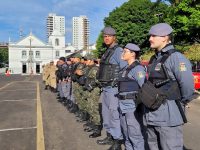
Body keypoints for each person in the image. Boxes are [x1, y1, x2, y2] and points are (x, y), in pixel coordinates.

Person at [143, 23, 194, 150]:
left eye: (154, 36)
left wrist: (180, 102)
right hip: (150, 114)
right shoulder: (154, 58)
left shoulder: (176, 57)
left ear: (165, 37)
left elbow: (187, 86)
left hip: (168, 116)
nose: (150, 39)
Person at [96, 27, 127, 150]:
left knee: (114, 115)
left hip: (114, 88)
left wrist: (119, 85)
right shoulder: (107, 51)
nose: (106, 38)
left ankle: (117, 140)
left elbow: (124, 69)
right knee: (106, 114)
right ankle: (110, 136)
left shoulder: (118, 50)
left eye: (109, 36)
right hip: (106, 88)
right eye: (105, 36)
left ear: (114, 37)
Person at [117, 43, 146, 150]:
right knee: (127, 136)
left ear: (133, 54)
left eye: (125, 51)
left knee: (135, 136)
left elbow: (144, 88)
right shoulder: (126, 68)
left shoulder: (138, 69)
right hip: (122, 105)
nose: (122, 53)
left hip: (132, 107)